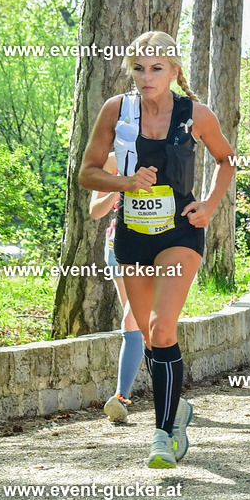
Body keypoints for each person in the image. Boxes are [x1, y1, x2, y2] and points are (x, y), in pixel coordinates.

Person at [79, 31, 234, 468]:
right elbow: (87, 174)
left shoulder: (195, 115)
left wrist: (210, 205)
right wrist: (125, 183)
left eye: (157, 68)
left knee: (162, 327)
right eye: (139, 69)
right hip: (133, 233)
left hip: (180, 234)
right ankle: (177, 408)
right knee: (148, 335)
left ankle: (162, 435)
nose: (147, 77)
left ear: (174, 71)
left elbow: (226, 159)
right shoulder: (116, 111)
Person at [89, 152, 144, 420]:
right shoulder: (110, 161)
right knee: (136, 322)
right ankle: (165, 390)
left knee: (132, 317)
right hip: (118, 247)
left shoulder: (165, 151)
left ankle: (121, 396)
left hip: (155, 248)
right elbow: (95, 210)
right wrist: (118, 186)